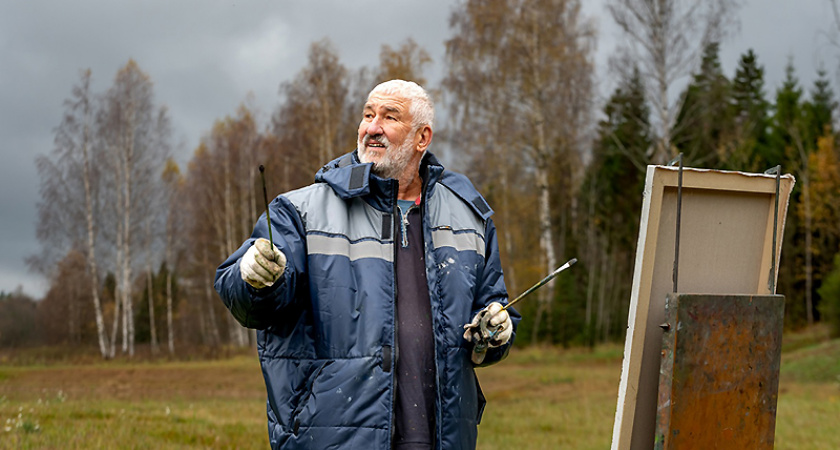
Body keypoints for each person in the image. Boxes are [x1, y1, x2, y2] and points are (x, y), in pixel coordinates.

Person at [215, 79, 520, 450]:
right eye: (368, 115)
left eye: (389, 117)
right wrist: (253, 279)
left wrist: (495, 331)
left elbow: (492, 312)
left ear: (422, 138)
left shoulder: (470, 216)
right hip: (332, 437)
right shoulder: (301, 212)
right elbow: (248, 302)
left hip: (443, 437)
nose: (372, 128)